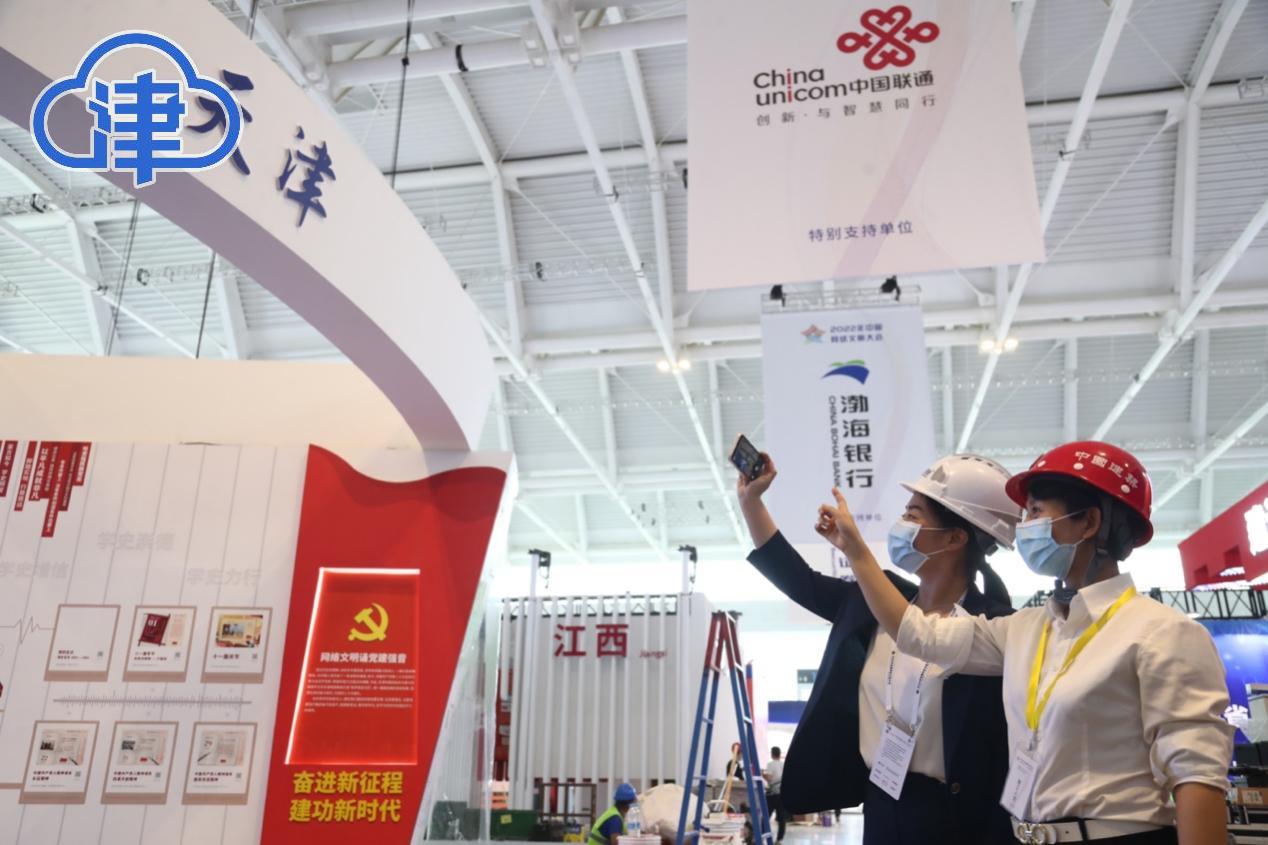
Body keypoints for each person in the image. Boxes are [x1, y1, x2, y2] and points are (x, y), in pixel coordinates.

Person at [819, 441, 1234, 844]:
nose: (1024, 528)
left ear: (1089, 523)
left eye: (1036, 511)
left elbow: (1196, 778)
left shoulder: (1162, 632)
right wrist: (856, 552)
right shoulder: (1025, 629)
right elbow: (918, 634)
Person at [739, 451, 1022, 844]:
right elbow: (798, 580)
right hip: (880, 801)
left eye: (914, 514)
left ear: (955, 537)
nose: (901, 523)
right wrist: (751, 502)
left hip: (957, 818)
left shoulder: (995, 628)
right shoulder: (872, 602)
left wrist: (857, 553)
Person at [764, 746, 786, 842]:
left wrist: (762, 774)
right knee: (781, 818)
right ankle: (779, 839)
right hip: (782, 794)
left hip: (772, 794)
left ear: (772, 754)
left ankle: (762, 835)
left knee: (766, 816)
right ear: (779, 755)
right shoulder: (783, 764)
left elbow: (769, 778)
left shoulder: (770, 764)